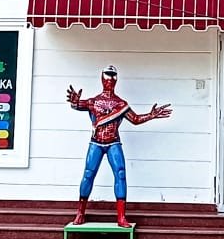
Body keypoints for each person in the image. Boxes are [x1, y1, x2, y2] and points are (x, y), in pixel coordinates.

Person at [66, 64, 172, 228]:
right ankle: (80, 212)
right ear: (102, 78)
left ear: (116, 79)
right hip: (96, 143)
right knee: (88, 175)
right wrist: (74, 102)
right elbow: (77, 105)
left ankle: (121, 217)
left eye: (113, 76)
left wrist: (151, 115)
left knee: (120, 174)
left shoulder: (121, 104)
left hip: (113, 142)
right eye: (107, 75)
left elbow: (135, 119)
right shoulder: (94, 102)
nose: (110, 79)